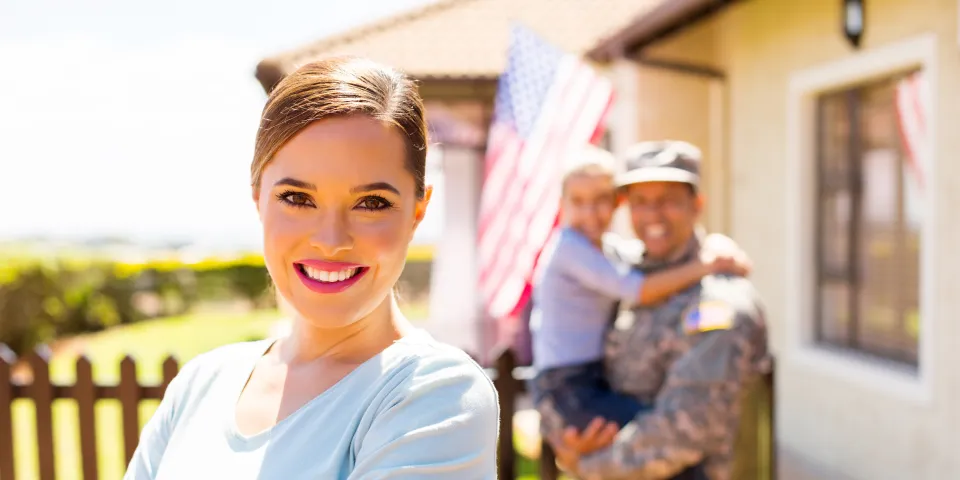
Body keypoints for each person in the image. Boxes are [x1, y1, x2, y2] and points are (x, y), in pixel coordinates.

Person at [123, 57, 499, 479]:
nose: (331, 240)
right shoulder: (202, 383)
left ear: (417, 211)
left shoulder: (437, 394)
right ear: (258, 197)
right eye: (298, 198)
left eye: (371, 203)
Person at [549, 140, 771, 480]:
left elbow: (684, 431)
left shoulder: (720, 303)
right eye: (640, 202)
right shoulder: (631, 275)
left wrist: (585, 465)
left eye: (668, 201)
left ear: (697, 205)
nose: (652, 215)